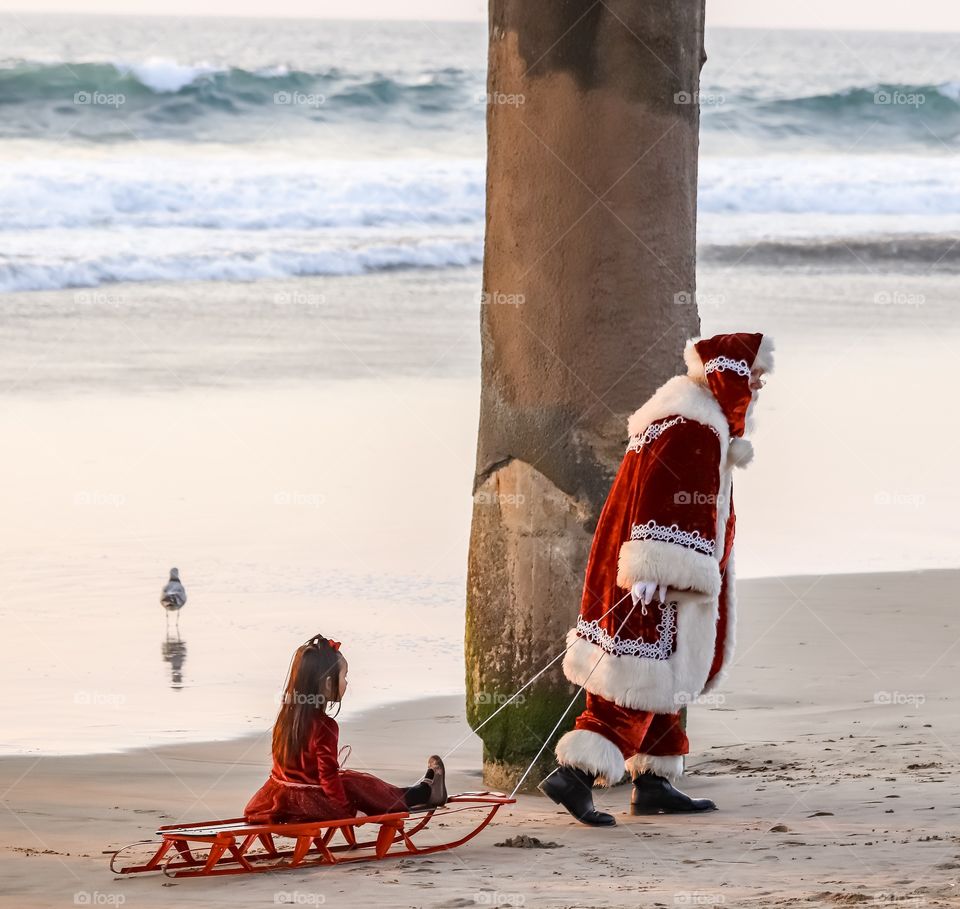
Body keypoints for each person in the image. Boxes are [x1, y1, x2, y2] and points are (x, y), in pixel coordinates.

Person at [539, 332, 774, 826]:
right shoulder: (693, 425)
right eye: (755, 373)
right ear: (729, 376)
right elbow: (666, 496)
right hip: (657, 575)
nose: (761, 381)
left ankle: (653, 782)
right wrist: (660, 568)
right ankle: (574, 776)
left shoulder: (682, 413)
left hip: (649, 567)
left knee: (671, 671)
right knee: (641, 675)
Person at [245, 634, 447, 823]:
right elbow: (328, 778)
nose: (347, 682)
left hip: (279, 798)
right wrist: (349, 811)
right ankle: (425, 792)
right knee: (365, 789)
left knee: (358, 784)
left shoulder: (286, 719)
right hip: (311, 804)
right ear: (327, 683)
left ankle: (421, 790)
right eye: (344, 676)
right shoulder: (325, 726)